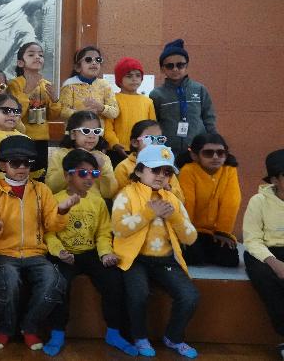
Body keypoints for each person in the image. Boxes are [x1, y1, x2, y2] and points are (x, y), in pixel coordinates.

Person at [44, 149, 137, 356]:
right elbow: (49, 232)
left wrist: (105, 253)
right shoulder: (54, 199)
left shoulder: (98, 201)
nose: (89, 178)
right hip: (64, 254)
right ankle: (57, 332)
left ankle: (114, 332)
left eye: (94, 173)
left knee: (114, 281)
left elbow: (103, 232)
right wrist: (59, 252)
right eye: (82, 173)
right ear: (68, 175)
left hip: (90, 253)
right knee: (58, 283)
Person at [0, 135, 72, 351]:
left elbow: (52, 225)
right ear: (3, 166)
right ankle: (5, 329)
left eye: (27, 162)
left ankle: (29, 327)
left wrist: (62, 211)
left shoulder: (42, 190)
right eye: (16, 162)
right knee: (8, 278)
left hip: (36, 254)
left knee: (54, 280)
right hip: (4, 253)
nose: (22, 167)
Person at [112, 144, 199, 358]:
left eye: (167, 172)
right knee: (138, 294)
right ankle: (140, 337)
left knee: (189, 295)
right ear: (139, 171)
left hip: (165, 260)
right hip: (135, 259)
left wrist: (174, 217)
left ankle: (174, 337)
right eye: (155, 170)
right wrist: (148, 213)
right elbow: (119, 229)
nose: (161, 176)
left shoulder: (172, 200)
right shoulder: (127, 195)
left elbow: (190, 237)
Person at [243, 149, 284, 357]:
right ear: (275, 180)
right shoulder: (258, 201)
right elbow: (252, 240)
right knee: (268, 281)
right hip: (263, 252)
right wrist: (275, 263)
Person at [177, 133, 241, 267]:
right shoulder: (188, 171)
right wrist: (186, 234)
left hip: (216, 232)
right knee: (193, 256)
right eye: (208, 153)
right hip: (193, 229)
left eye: (220, 153)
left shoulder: (229, 170)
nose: (215, 157)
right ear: (195, 155)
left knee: (230, 260)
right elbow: (188, 203)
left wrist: (223, 232)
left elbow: (231, 201)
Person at [150, 39, 217, 156]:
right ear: (162, 69)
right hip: (167, 152)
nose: (175, 69)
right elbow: (153, 124)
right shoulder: (156, 94)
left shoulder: (199, 89)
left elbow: (209, 119)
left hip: (197, 151)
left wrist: (214, 142)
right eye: (169, 66)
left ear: (187, 66)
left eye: (180, 65)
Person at [8, 42, 61, 176]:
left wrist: (55, 101)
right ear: (20, 63)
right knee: (22, 172)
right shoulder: (15, 84)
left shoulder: (46, 84)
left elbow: (53, 116)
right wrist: (28, 90)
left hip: (42, 138)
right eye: (31, 55)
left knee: (40, 173)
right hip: (22, 136)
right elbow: (15, 112)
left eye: (41, 55)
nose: (37, 57)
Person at [46, 110, 118, 199]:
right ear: (73, 134)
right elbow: (51, 188)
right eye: (86, 131)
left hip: (93, 206)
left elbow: (109, 194)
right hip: (66, 205)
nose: (92, 136)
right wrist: (71, 164)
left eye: (96, 131)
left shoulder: (103, 159)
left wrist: (104, 169)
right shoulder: (60, 155)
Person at [103, 57, 156, 166]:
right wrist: (114, 144)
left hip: (141, 151)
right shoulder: (113, 99)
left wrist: (150, 146)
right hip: (117, 151)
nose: (134, 79)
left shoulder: (148, 102)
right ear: (119, 80)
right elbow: (108, 127)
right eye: (129, 76)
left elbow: (153, 127)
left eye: (138, 75)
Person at [114, 120, 184, 201]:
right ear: (135, 142)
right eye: (149, 139)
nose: (155, 144)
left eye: (160, 139)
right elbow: (119, 199)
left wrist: (168, 188)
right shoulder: (123, 167)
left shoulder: (166, 167)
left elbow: (181, 200)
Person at [58, 46, 119, 122]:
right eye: (88, 60)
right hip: (76, 129)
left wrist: (101, 107)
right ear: (78, 67)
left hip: (98, 129)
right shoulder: (69, 85)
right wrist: (81, 113)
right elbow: (63, 112)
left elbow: (115, 112)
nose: (94, 63)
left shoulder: (104, 85)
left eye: (98, 60)